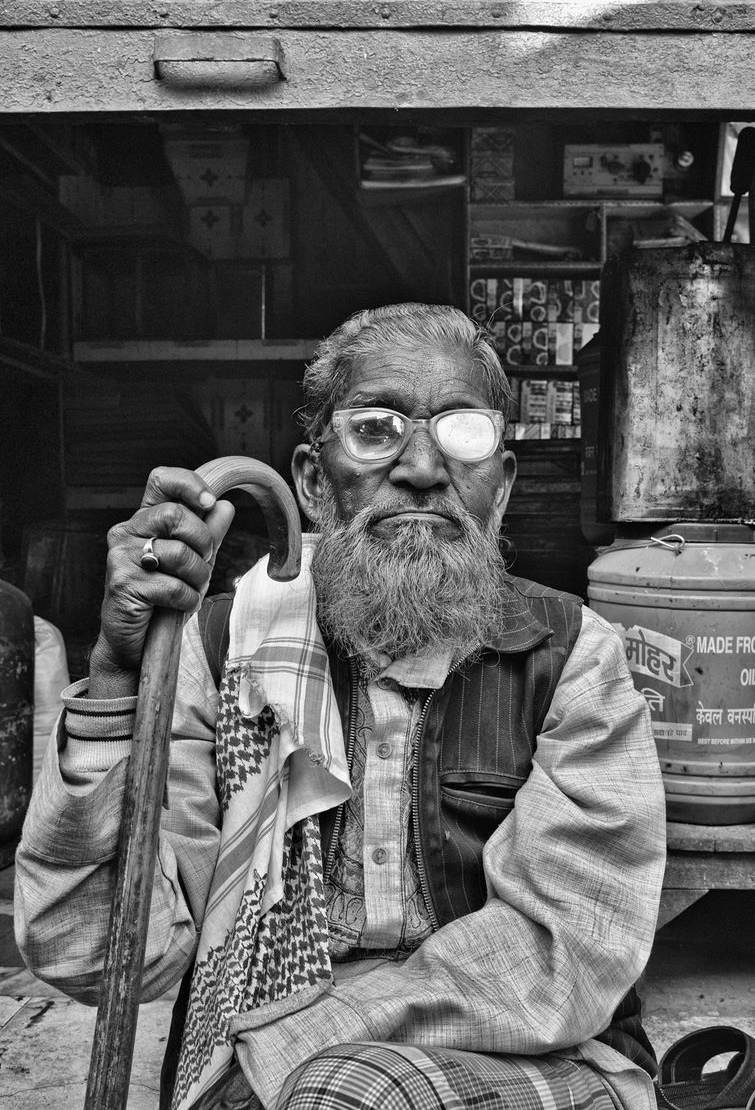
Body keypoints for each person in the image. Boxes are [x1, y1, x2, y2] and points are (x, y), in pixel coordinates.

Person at [15, 302, 666, 1110]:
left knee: (339, 1093)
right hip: (271, 1069)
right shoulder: (223, 651)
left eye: (463, 433)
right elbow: (93, 951)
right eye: (376, 428)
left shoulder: (570, 655)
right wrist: (117, 672)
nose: (423, 467)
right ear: (315, 483)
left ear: (499, 487)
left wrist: (300, 1045)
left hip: (537, 1056)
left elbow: (565, 953)